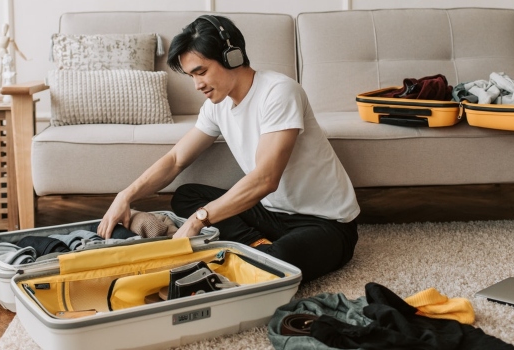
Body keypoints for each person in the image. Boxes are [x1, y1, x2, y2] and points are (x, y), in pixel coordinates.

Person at [97, 15, 360, 283]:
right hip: (270, 213)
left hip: (325, 222)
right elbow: (176, 159)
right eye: (191, 76)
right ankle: (256, 245)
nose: (197, 85)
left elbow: (266, 179)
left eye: (201, 72)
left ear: (231, 56)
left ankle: (260, 253)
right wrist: (126, 195)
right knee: (187, 195)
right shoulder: (216, 105)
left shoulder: (279, 92)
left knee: (270, 268)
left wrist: (198, 221)